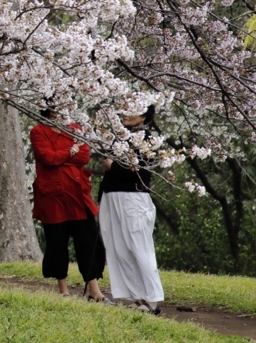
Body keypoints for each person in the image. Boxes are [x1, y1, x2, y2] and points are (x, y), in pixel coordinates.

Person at [30, 111, 112, 303]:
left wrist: (65, 155)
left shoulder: (75, 128)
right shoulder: (38, 131)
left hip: (77, 193)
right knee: (57, 240)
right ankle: (63, 289)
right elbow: (47, 158)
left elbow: (83, 156)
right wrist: (70, 151)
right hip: (53, 195)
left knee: (87, 239)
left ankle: (94, 290)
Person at [100, 105, 164, 314]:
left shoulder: (147, 138)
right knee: (120, 247)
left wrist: (114, 167)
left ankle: (153, 299)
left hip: (133, 197)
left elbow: (140, 169)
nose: (125, 114)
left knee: (139, 246)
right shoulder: (121, 136)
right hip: (113, 196)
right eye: (125, 109)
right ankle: (138, 297)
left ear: (144, 116)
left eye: (132, 110)